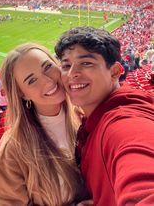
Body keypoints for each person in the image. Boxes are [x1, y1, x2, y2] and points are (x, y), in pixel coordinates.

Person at [55, 26, 154, 206]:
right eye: (66, 65)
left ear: (115, 71)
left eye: (86, 63)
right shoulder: (98, 115)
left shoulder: (123, 126)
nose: (72, 73)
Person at [0, 43, 89, 206]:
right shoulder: (14, 148)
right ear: (22, 93)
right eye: (32, 80)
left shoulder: (85, 114)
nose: (48, 81)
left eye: (48, 67)